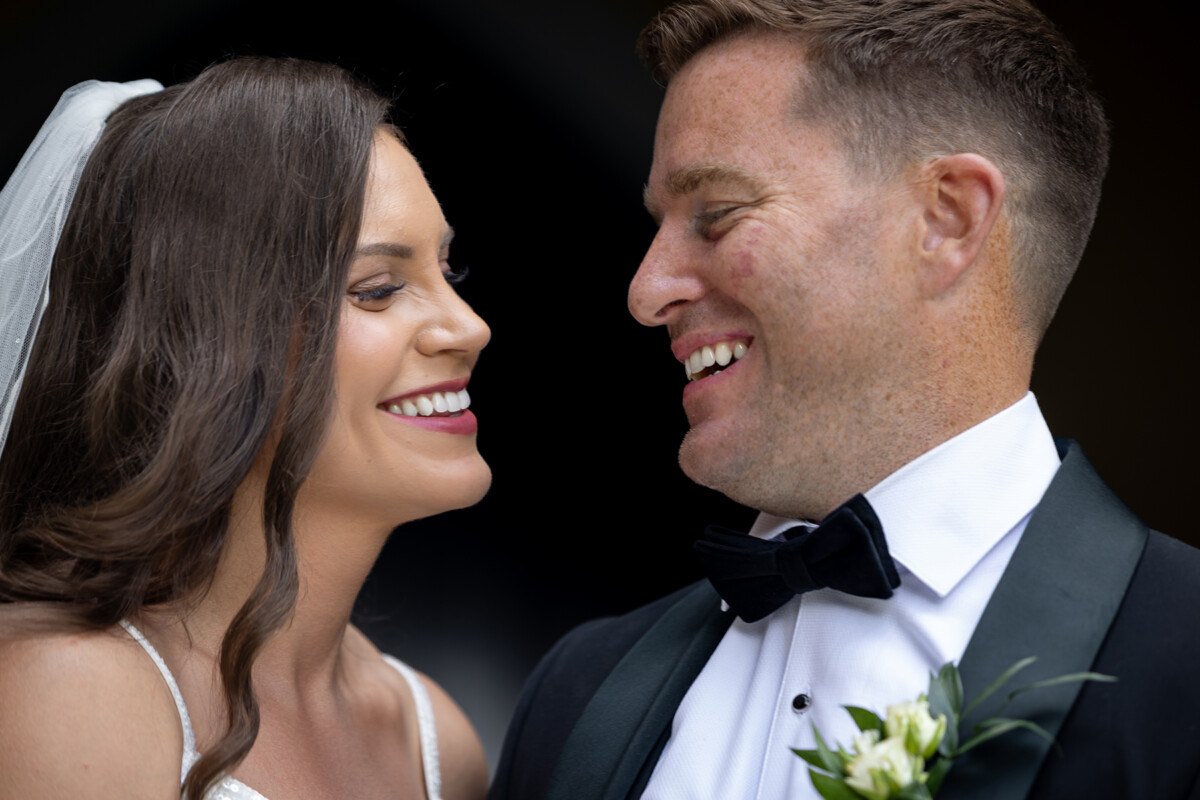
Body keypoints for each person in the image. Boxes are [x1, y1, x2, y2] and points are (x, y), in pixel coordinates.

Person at [489, 1, 1200, 798]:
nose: (646, 289)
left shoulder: (1185, 661)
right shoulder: (574, 691)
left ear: (948, 218)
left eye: (716, 215)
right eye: (661, 225)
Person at [0, 58, 490, 799]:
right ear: (207, 345)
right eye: (379, 288)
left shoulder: (437, 744)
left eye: (448, 273)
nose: (470, 327)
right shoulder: (71, 694)